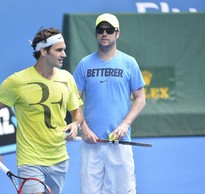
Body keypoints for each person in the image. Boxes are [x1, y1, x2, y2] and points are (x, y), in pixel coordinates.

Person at [0, 27, 83, 194]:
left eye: (64, 49)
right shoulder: (17, 81)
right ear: (43, 51)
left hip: (59, 159)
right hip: (30, 159)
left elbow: (77, 112)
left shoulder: (67, 78)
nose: (64, 54)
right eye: (59, 50)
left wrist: (75, 124)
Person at [73, 13, 146, 194]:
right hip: (91, 144)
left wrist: (124, 125)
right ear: (96, 33)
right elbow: (74, 100)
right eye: (100, 30)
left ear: (117, 33)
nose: (104, 34)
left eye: (109, 30)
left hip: (120, 143)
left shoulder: (129, 63)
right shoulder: (84, 64)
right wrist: (84, 128)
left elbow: (140, 98)